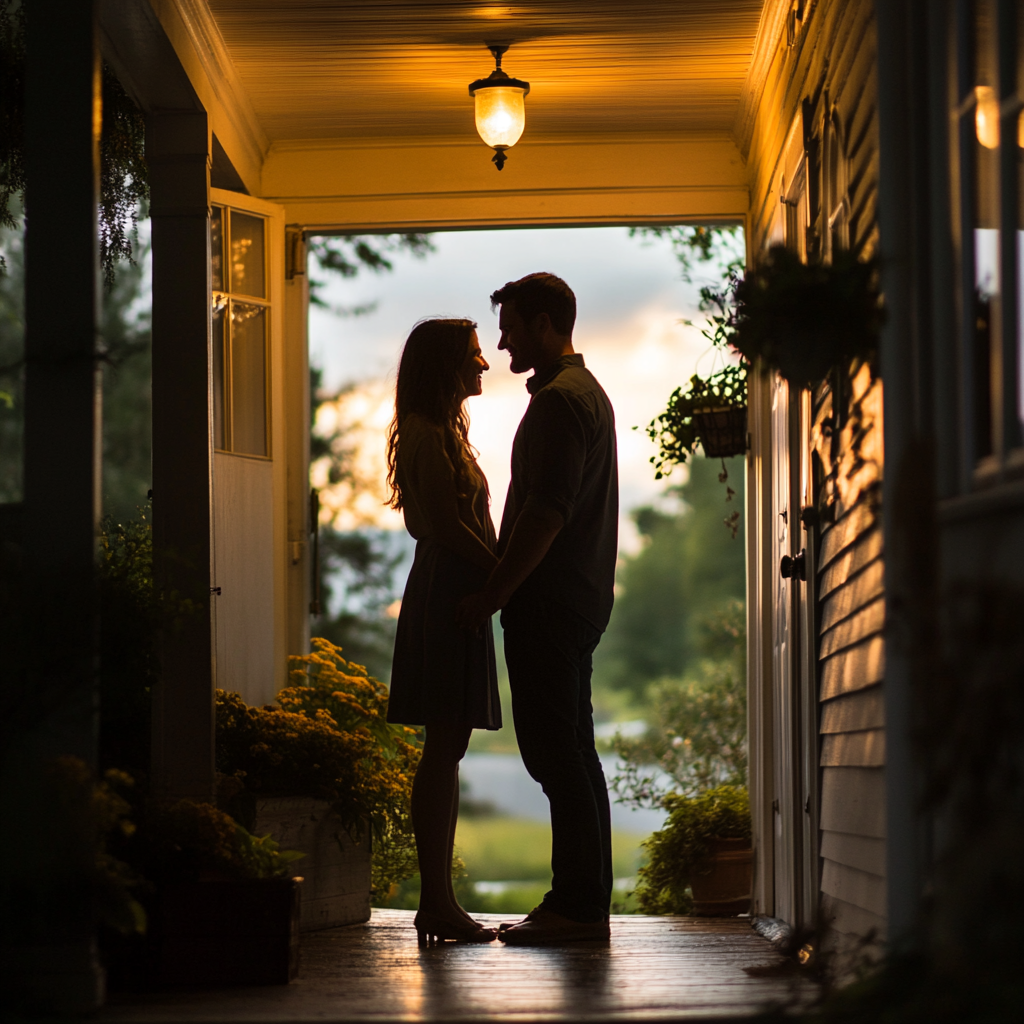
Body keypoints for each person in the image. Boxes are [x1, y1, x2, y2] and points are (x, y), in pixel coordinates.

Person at [458, 273, 619, 945]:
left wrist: (492, 594)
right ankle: (580, 903)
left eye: (514, 327)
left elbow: (546, 514)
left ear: (550, 325)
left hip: (550, 602)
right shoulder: (587, 396)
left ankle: (576, 908)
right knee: (572, 754)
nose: (502, 342)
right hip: (576, 598)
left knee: (557, 756)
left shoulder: (559, 403)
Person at [385, 318, 501, 946]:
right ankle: (436, 902)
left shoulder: (441, 436)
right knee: (442, 747)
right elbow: (450, 529)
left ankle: (440, 901)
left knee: (447, 747)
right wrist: (508, 574)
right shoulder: (429, 438)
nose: (483, 366)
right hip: (448, 591)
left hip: (456, 587)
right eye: (474, 356)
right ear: (445, 367)